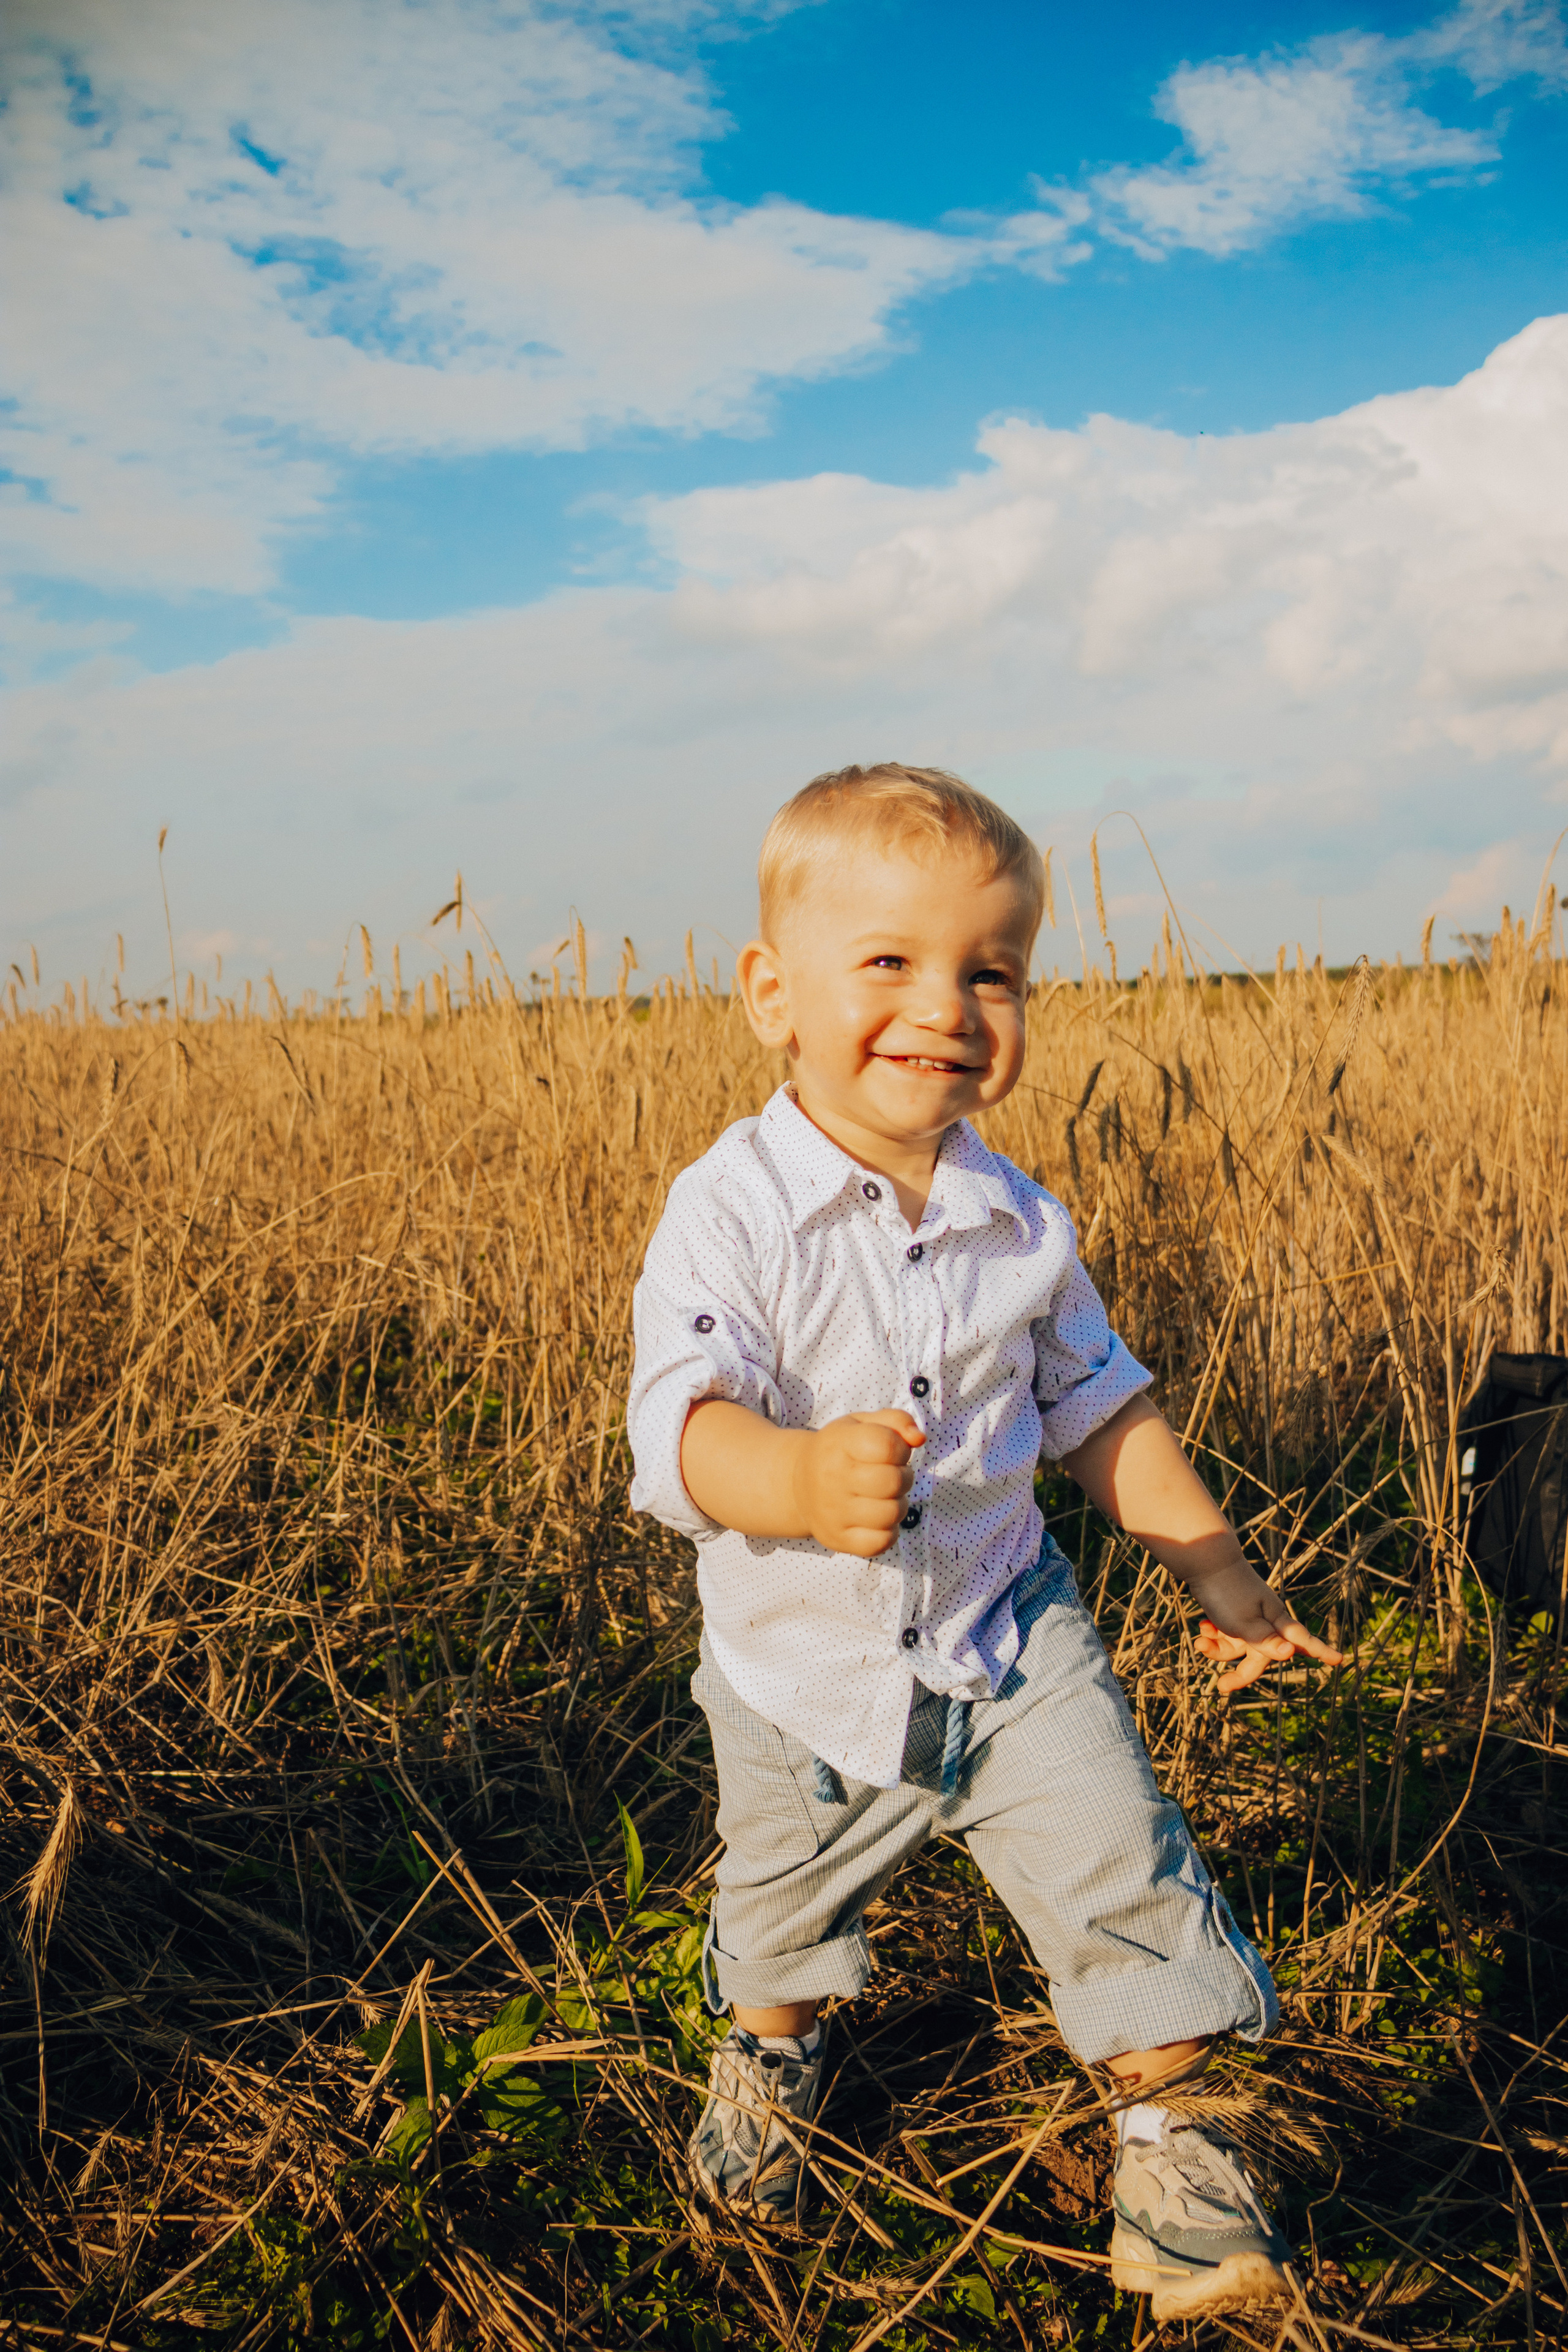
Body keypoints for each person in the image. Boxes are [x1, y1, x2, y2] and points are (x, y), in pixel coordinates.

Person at [627, 764, 1341, 2322]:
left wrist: (1217, 1571)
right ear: (771, 994)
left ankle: (1174, 2159)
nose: (944, 1007)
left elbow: (1097, 1408)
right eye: (888, 960)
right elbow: (676, 1424)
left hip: (1009, 1630)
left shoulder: (1021, 1223)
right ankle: (771, 2058)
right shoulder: (729, 1210)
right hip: (800, 1668)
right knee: (782, 1915)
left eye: (990, 971)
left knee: (1121, 1867)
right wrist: (791, 1476)